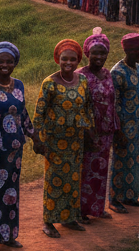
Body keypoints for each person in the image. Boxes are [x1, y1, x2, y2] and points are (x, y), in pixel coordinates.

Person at [0, 41, 44, 251]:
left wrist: (34, 136)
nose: (4, 65)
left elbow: (23, 114)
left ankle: (8, 236)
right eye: (0, 61)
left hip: (15, 150)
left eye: (9, 61)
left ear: (15, 63)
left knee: (11, 193)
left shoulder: (19, 85)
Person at [33, 40, 94, 237]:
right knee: (54, 180)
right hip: (54, 140)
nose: (68, 62)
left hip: (75, 140)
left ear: (78, 60)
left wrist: (90, 131)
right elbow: (39, 113)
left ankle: (69, 218)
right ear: (57, 59)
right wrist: (37, 140)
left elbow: (87, 108)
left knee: (73, 179)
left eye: (73, 59)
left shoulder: (82, 80)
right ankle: (48, 221)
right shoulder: (49, 83)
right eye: (64, 59)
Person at [110, 34, 139, 210]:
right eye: (137, 50)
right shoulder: (117, 73)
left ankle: (130, 196)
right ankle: (114, 200)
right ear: (127, 51)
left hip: (136, 125)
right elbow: (113, 104)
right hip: (122, 127)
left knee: (135, 161)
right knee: (119, 162)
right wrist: (117, 130)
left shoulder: (137, 68)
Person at [77, 28, 119, 221]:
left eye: (103, 53)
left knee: (101, 171)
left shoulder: (107, 74)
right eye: (95, 53)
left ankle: (97, 209)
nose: (99, 57)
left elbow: (111, 101)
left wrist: (115, 125)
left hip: (106, 131)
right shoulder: (80, 76)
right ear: (88, 53)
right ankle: (81, 210)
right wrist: (86, 130)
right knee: (85, 171)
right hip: (88, 131)